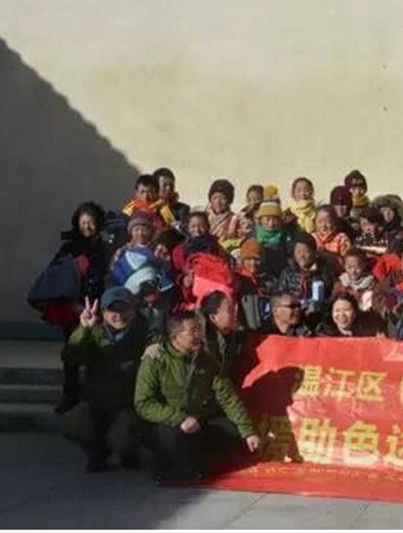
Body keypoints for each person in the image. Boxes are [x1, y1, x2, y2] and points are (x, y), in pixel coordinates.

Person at [135, 312, 260, 484]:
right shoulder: (155, 359)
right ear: (176, 336)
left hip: (197, 422)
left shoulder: (206, 360)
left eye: (199, 330)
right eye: (192, 331)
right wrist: (179, 418)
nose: (198, 335)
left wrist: (248, 431)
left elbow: (227, 396)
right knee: (177, 461)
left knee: (229, 447)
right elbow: (143, 404)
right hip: (164, 424)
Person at [60, 288, 154, 472]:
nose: (119, 316)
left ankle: (128, 453)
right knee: (73, 423)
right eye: (113, 310)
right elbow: (71, 357)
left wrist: (155, 347)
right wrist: (84, 329)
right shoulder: (94, 333)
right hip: (97, 402)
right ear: (103, 312)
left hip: (129, 405)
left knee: (123, 436)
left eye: (124, 309)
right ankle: (98, 451)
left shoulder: (146, 333)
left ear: (134, 310)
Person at [29, 201, 111, 413]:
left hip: (100, 308)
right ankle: (70, 395)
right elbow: (57, 275)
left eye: (91, 222)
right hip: (74, 309)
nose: (87, 227)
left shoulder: (105, 247)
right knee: (72, 353)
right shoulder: (69, 248)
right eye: (83, 223)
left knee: (97, 354)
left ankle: (93, 396)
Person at [275, 233, 335, 329]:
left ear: (314, 252)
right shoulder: (287, 272)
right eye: (298, 251)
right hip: (293, 317)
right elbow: (280, 295)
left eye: (306, 251)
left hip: (318, 318)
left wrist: (317, 307)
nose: (302, 255)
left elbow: (331, 297)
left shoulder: (324, 272)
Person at [199, 291, 256, 386]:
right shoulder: (203, 346)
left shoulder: (236, 336)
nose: (235, 313)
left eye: (234, 308)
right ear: (214, 317)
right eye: (229, 310)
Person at [316, 293, 382, 337]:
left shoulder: (367, 333)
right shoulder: (324, 335)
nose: (341, 314)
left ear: (355, 313)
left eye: (346, 310)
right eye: (337, 310)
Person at [312, 204, 352, 268]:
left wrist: (328, 255)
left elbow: (347, 261)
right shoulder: (312, 237)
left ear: (334, 222)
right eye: (319, 222)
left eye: (327, 222)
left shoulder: (341, 238)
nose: (323, 225)